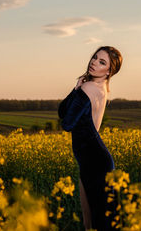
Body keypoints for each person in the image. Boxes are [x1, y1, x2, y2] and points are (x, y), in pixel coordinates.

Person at [58, 46, 123, 230]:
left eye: (102, 62)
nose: (94, 62)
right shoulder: (102, 88)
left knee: (95, 223)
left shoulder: (87, 88)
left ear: (109, 71)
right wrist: (76, 89)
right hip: (94, 160)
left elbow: (66, 122)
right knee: (96, 222)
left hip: (94, 162)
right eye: (95, 57)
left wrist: (76, 90)